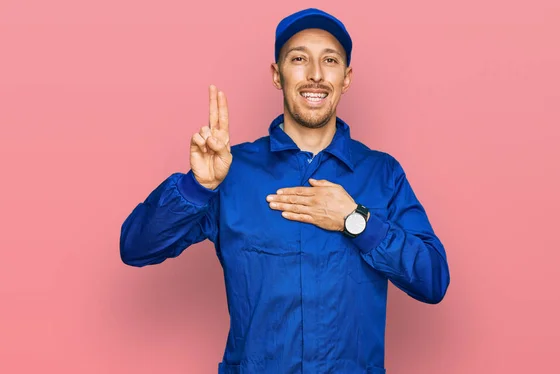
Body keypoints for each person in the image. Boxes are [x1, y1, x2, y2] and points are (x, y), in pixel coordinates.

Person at [120, 7, 450, 374]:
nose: (315, 74)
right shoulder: (232, 170)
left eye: (330, 60)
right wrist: (198, 187)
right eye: (298, 59)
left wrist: (354, 221)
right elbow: (135, 247)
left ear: (346, 77)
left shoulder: (382, 173)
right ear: (277, 75)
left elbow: (433, 279)